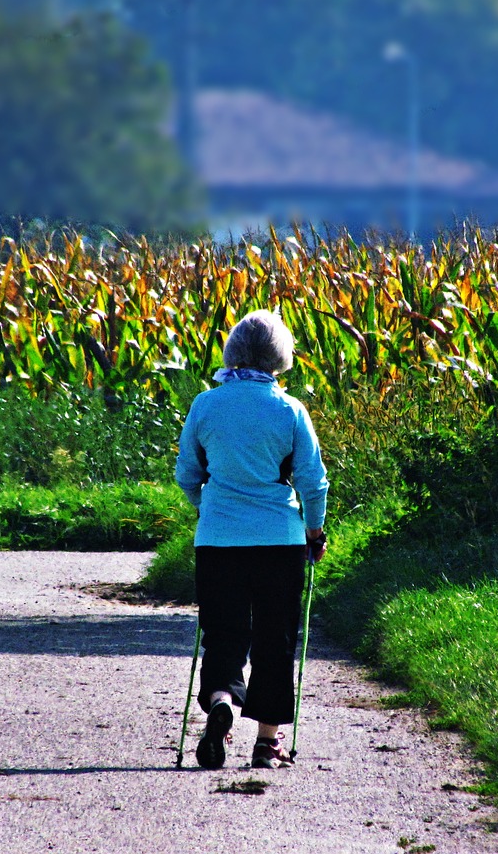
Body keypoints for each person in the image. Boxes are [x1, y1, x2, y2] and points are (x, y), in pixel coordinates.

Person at [174, 308, 329, 770]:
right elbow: (312, 481)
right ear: (280, 356)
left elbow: (187, 473)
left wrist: (208, 509)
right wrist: (314, 532)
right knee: (275, 639)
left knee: (223, 632)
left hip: (218, 540)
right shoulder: (289, 410)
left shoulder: (206, 405)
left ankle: (221, 697)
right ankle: (266, 742)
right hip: (279, 542)